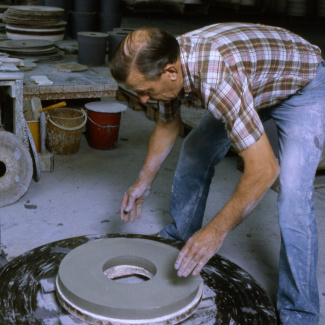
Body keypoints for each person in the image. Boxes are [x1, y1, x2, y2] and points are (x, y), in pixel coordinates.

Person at [110, 23, 325, 325]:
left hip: (303, 85)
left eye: (146, 92)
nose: (143, 99)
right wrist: (142, 182)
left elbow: (264, 170)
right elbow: (168, 124)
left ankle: (301, 313)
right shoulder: (166, 61)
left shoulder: (217, 80)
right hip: (253, 83)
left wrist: (215, 232)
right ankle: (180, 236)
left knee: (293, 196)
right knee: (196, 146)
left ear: (171, 72)